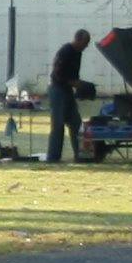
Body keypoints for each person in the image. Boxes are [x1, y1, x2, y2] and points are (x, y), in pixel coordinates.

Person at [47, 29, 90, 164]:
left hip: (67, 90)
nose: (86, 46)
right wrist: (75, 83)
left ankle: (80, 155)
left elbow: (74, 75)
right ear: (77, 39)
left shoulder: (78, 53)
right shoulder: (65, 51)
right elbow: (58, 74)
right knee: (58, 125)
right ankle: (53, 157)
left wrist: (80, 86)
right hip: (57, 89)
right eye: (85, 43)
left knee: (76, 123)